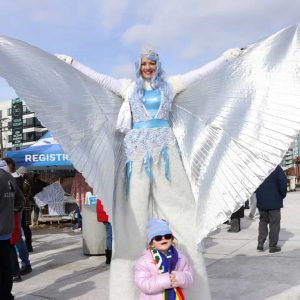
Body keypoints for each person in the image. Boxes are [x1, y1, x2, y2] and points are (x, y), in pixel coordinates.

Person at [1, 25, 300, 299]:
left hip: (167, 155)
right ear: (139, 67)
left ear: (157, 66)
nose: (148, 68)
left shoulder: (171, 85)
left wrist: (225, 58)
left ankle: (189, 280)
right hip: (136, 157)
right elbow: (98, 79)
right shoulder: (128, 88)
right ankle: (130, 285)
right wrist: (72, 64)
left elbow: (201, 73)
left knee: (180, 214)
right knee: (132, 217)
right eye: (144, 64)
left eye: (152, 63)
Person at [134, 219, 193, 299]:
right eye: (158, 238)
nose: (163, 239)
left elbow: (189, 277)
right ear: (151, 242)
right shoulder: (144, 261)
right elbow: (143, 283)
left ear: (172, 239)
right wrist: (165, 281)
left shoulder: (181, 258)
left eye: (167, 236)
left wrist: (180, 278)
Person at [2, 158, 32, 276]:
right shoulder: (11, 178)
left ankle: (24, 264)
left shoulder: (15, 178)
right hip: (10, 213)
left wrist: (15, 209)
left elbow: (20, 198)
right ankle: (18, 266)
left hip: (13, 213)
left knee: (16, 238)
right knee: (12, 239)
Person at [256, 165, 287, 253]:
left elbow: (253, 184)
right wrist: (282, 195)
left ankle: (260, 242)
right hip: (275, 200)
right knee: (274, 224)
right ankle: (272, 246)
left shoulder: (258, 168)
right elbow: (283, 183)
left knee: (263, 221)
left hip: (262, 200)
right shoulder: (276, 168)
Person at [0, 160, 16, 300]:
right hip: (7, 230)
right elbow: (20, 200)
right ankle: (7, 294)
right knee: (6, 264)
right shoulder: (10, 178)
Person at [16, 167, 33, 252]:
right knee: (26, 227)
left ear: (22, 173)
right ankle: (28, 245)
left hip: (24, 206)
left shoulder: (24, 182)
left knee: (24, 227)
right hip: (26, 206)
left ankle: (28, 245)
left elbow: (21, 194)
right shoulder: (27, 181)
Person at [96, 199, 112, 264]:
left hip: (103, 215)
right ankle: (110, 257)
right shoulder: (108, 192)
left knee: (109, 235)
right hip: (108, 215)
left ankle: (109, 257)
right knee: (111, 235)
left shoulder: (100, 192)